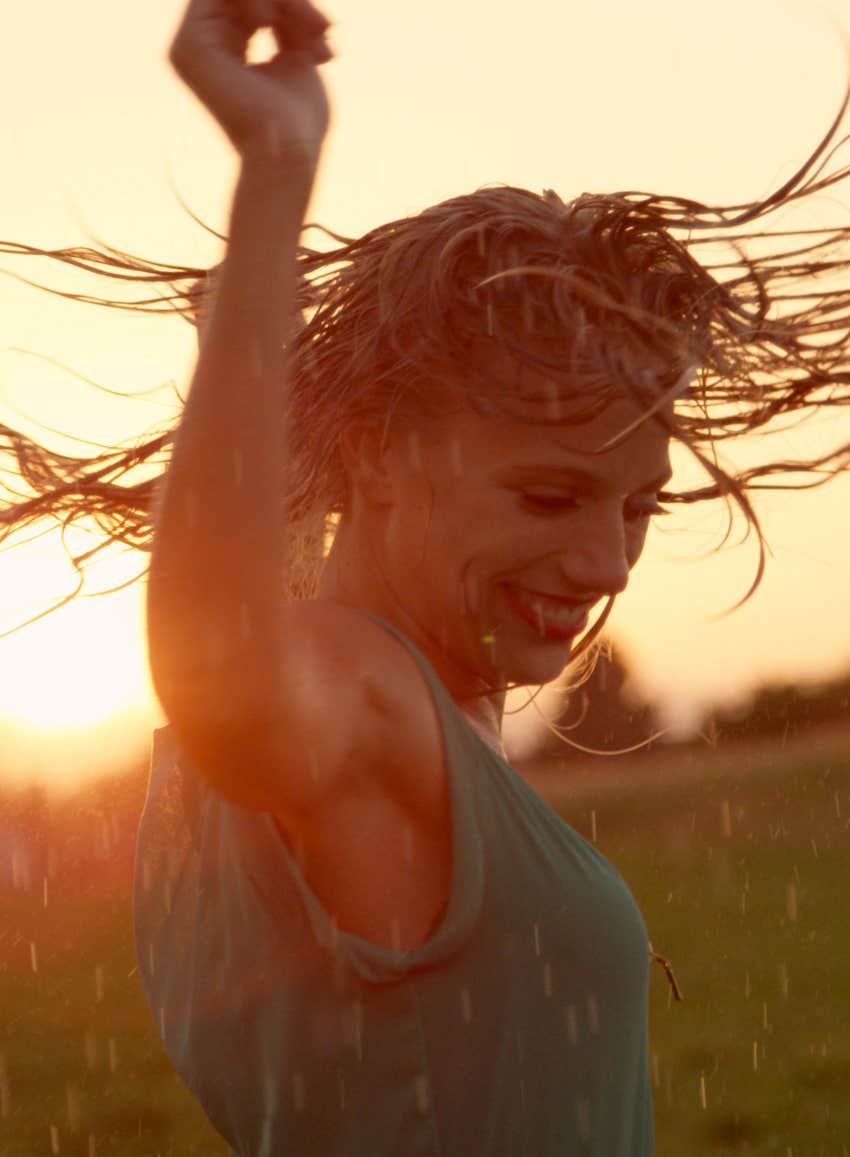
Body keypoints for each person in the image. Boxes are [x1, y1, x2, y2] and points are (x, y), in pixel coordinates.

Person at [3, 0, 850, 1153]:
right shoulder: (360, 707)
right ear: (376, 451)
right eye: (548, 495)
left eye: (639, 505)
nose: (606, 561)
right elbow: (224, 658)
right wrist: (275, 176)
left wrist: (246, 348)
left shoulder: (386, 698)